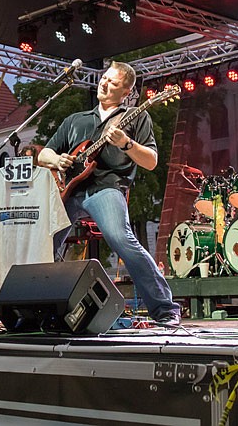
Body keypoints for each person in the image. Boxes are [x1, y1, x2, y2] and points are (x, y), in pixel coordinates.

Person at [38, 61, 182, 326]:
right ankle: (45, 309)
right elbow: (43, 153)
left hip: (106, 188)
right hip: (69, 191)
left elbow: (150, 161)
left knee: (121, 239)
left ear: (126, 91)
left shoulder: (137, 116)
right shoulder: (76, 120)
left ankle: (164, 308)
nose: (104, 83)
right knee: (43, 243)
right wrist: (57, 161)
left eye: (113, 82)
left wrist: (126, 144)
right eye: (104, 78)